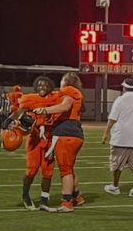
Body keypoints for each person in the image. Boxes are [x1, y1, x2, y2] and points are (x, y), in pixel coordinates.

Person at [9, 76, 66, 211]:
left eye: (45, 85)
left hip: (50, 140)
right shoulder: (30, 99)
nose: (42, 87)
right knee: (31, 171)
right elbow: (19, 114)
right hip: (34, 140)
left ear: (50, 87)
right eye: (39, 85)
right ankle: (25, 196)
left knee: (48, 172)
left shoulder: (56, 99)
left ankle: (44, 200)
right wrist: (9, 122)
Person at [31, 72, 85, 213]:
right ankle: (77, 196)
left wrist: (45, 110)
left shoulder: (69, 91)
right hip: (73, 133)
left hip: (66, 134)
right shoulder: (73, 93)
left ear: (66, 81)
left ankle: (67, 203)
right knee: (69, 168)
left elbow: (65, 106)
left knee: (65, 169)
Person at [101, 78, 133, 198]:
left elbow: (112, 118)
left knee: (116, 163)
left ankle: (115, 186)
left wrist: (105, 133)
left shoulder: (120, 100)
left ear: (123, 87)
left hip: (121, 137)